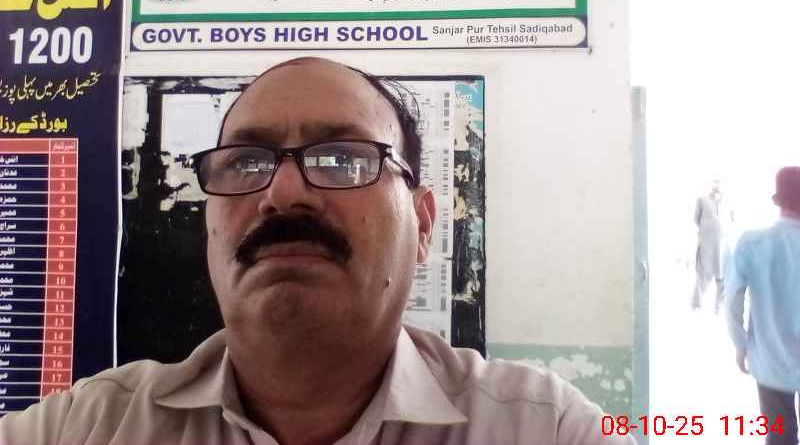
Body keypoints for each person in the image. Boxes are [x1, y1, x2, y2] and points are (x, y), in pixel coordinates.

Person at [0, 58, 634, 444]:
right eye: (245, 162)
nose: (282, 195)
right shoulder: (85, 429)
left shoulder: (543, 428)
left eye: (343, 159)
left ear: (422, 224)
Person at [726, 167, 800, 445]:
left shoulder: (752, 244)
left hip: (770, 361)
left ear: (777, 200)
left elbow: (731, 301)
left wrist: (741, 346)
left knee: (780, 436)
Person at [691, 177, 731, 312]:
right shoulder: (702, 200)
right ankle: (696, 305)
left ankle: (719, 308)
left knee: (723, 276)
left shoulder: (728, 201)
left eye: (720, 181)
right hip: (707, 243)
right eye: (715, 181)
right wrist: (707, 230)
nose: (717, 184)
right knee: (703, 274)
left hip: (723, 244)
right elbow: (696, 219)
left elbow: (732, 220)